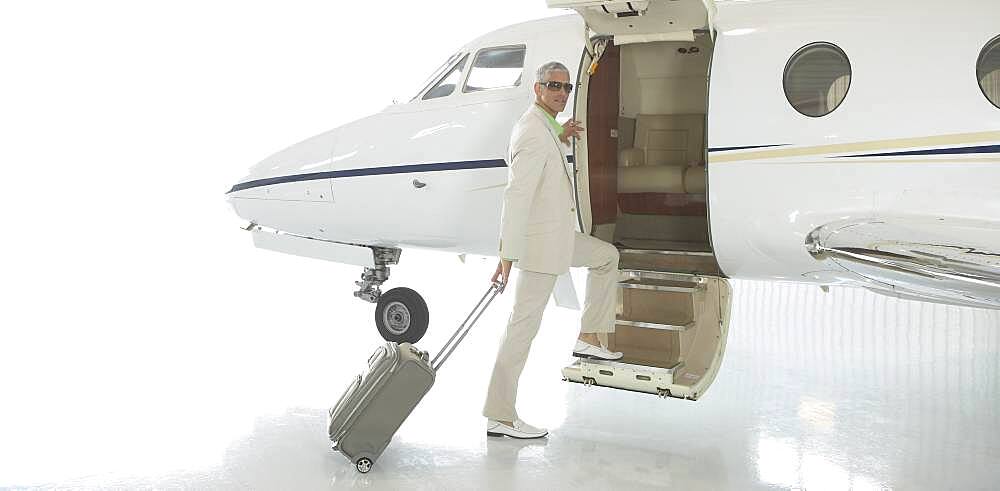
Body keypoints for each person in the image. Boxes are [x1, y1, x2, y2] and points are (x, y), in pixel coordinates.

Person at [483, 61, 622, 440]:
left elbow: (547, 141)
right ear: (537, 88)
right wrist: (507, 256)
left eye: (565, 87)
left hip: (557, 237)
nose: (561, 93)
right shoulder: (530, 132)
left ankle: (589, 338)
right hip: (539, 248)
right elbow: (516, 198)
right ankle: (500, 415)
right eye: (553, 86)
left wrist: (563, 131)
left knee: (607, 257)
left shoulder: (544, 126)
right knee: (522, 329)